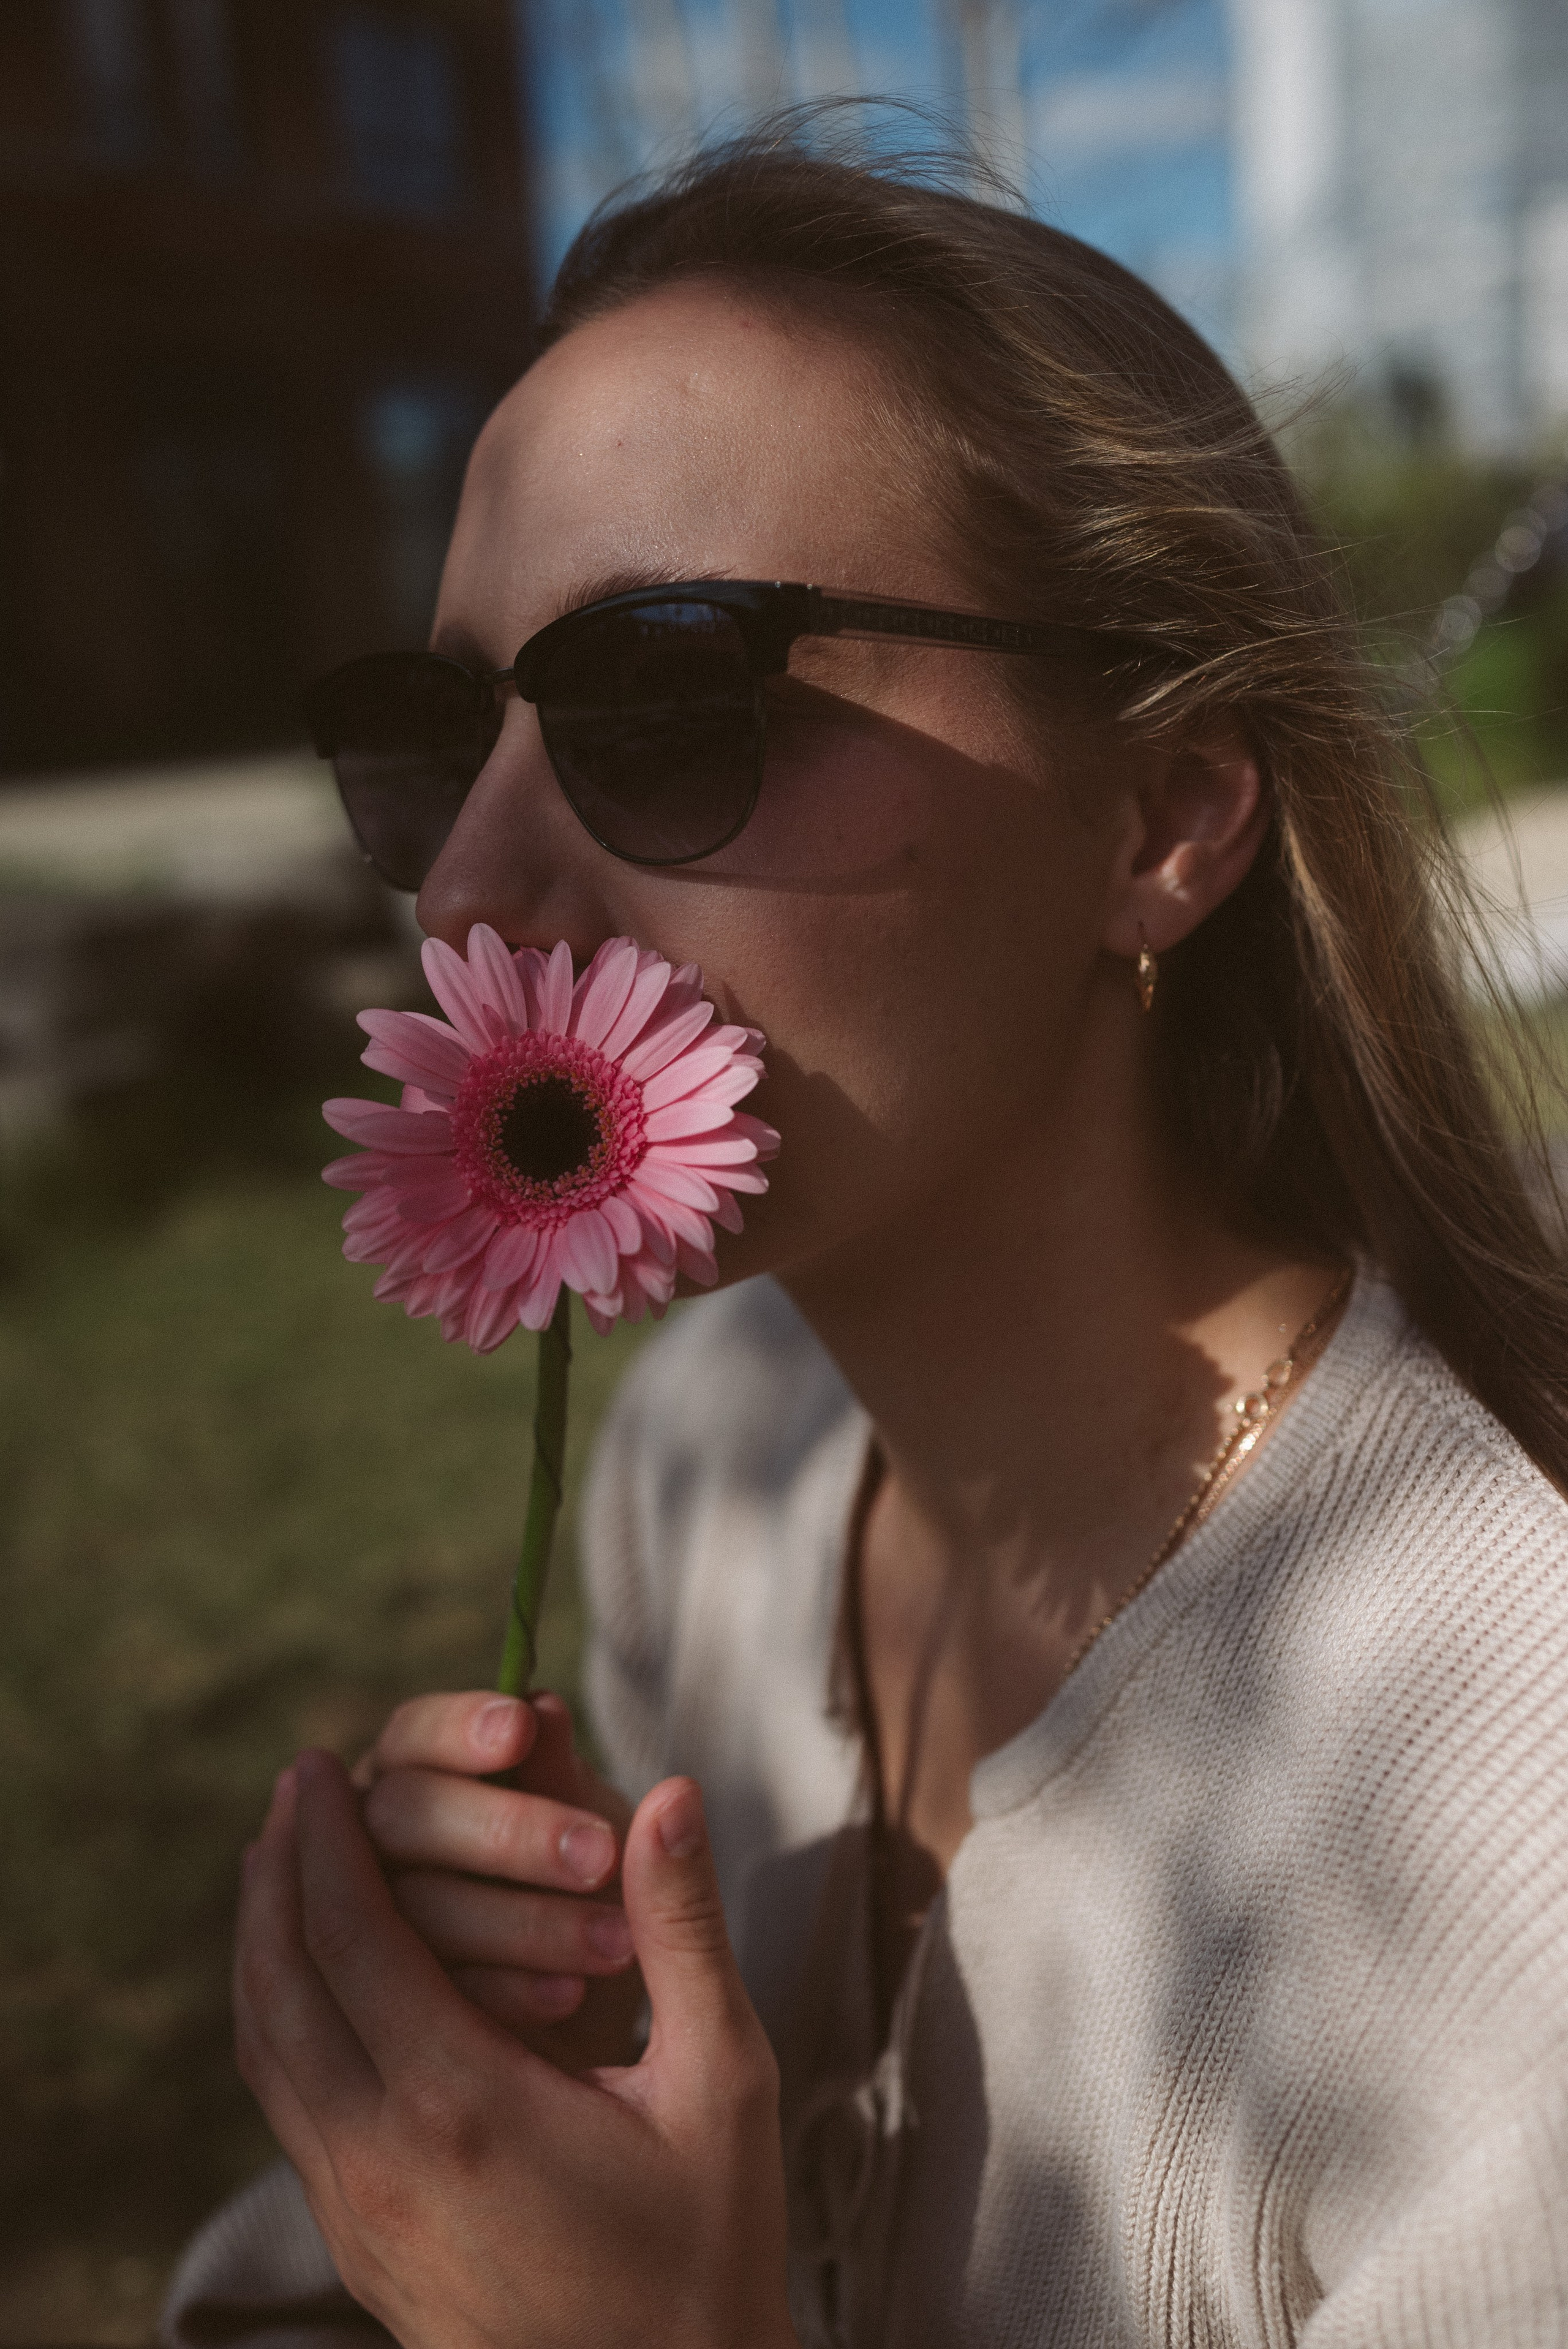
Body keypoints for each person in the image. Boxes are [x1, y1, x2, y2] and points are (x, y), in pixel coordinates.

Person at [164, 122, 1568, 2349]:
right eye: (435, 742)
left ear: (1167, 813)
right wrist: (541, 2099)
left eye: (665, 697)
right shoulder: (710, 1456)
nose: (467, 884)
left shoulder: (1512, 1873)